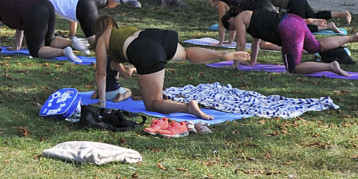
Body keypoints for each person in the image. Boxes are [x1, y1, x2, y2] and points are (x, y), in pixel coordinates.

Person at [90, 15, 250, 119]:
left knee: (152, 103)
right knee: (186, 53)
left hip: (142, 49)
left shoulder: (103, 39)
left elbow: (101, 74)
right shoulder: (122, 31)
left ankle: (188, 108)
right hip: (153, 35)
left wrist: (102, 102)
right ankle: (221, 55)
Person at [221, 6, 358, 76]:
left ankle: (330, 66)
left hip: (288, 28)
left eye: (231, 27)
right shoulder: (251, 17)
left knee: (294, 68)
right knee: (315, 46)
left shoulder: (240, 18)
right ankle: (353, 38)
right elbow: (255, 43)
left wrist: (235, 64)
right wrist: (253, 62)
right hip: (294, 20)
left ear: (230, 19)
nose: (234, 30)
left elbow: (240, 44)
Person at [0, 0, 84, 61]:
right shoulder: (9, 0)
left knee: (36, 50)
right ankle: (72, 43)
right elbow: (19, 25)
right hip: (46, 4)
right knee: (49, 39)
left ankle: (64, 52)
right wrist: (17, 46)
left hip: (35, 12)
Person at [43, 0, 142, 43]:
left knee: (94, 42)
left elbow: (46, 18)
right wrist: (71, 35)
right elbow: (72, 20)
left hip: (82, 8)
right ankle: (119, 0)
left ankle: (119, 41)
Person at [247, 0, 352, 29]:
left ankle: (328, 27)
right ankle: (343, 13)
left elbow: (254, 10)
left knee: (299, 24)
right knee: (313, 16)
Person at [206, 0, 278, 46]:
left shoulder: (221, 3)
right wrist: (230, 42)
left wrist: (220, 43)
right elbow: (233, 24)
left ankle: (284, 48)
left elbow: (221, 25)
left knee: (263, 45)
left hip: (261, 10)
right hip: (265, 5)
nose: (209, 2)